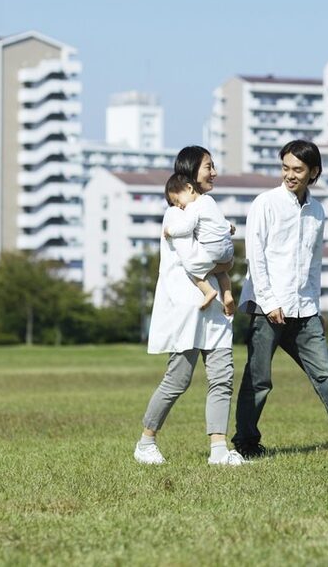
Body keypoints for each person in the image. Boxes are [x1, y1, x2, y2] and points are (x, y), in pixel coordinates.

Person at [232, 139, 328, 461]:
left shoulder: (317, 211)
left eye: (298, 169)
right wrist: (269, 301)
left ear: (313, 172)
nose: (290, 175)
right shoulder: (266, 203)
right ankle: (246, 443)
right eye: (286, 168)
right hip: (268, 308)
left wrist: (314, 306)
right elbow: (256, 257)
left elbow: (313, 263)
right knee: (258, 380)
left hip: (304, 309)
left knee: (327, 375)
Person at [134, 158, 245, 467]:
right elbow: (195, 263)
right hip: (189, 308)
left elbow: (224, 249)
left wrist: (225, 266)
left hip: (215, 309)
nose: (214, 172)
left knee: (222, 378)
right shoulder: (176, 213)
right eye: (208, 166)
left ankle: (219, 450)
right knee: (178, 380)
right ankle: (146, 442)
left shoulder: (206, 208)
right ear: (190, 174)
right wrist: (225, 266)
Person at [165, 173, 235, 314]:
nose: (178, 206)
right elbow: (219, 221)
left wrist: (170, 231)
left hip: (212, 249)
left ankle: (208, 291)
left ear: (190, 188)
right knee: (222, 272)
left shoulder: (192, 207)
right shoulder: (209, 200)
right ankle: (227, 295)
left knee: (192, 269)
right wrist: (229, 227)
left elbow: (187, 227)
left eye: (177, 200)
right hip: (228, 250)